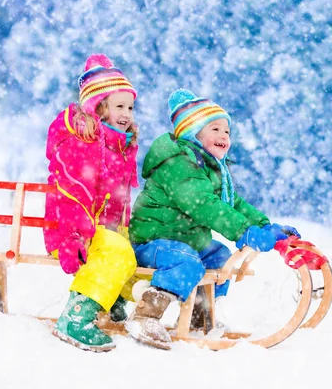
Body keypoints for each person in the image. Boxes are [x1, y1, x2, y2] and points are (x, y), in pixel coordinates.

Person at [126, 89, 300, 350]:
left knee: (220, 258)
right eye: (215, 129)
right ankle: (145, 314)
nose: (224, 136)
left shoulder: (210, 168)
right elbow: (205, 206)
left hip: (186, 240)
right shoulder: (179, 164)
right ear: (193, 133)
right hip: (154, 240)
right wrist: (243, 231)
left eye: (227, 132)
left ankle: (200, 317)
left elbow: (233, 203)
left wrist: (263, 226)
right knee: (187, 264)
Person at [43, 54, 139, 352]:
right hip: (73, 230)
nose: (126, 113)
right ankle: (76, 317)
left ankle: (111, 303)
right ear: (99, 106)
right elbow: (73, 193)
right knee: (117, 251)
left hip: (99, 229)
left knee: (130, 246)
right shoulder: (83, 142)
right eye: (119, 106)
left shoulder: (117, 144)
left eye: (130, 107)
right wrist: (73, 236)